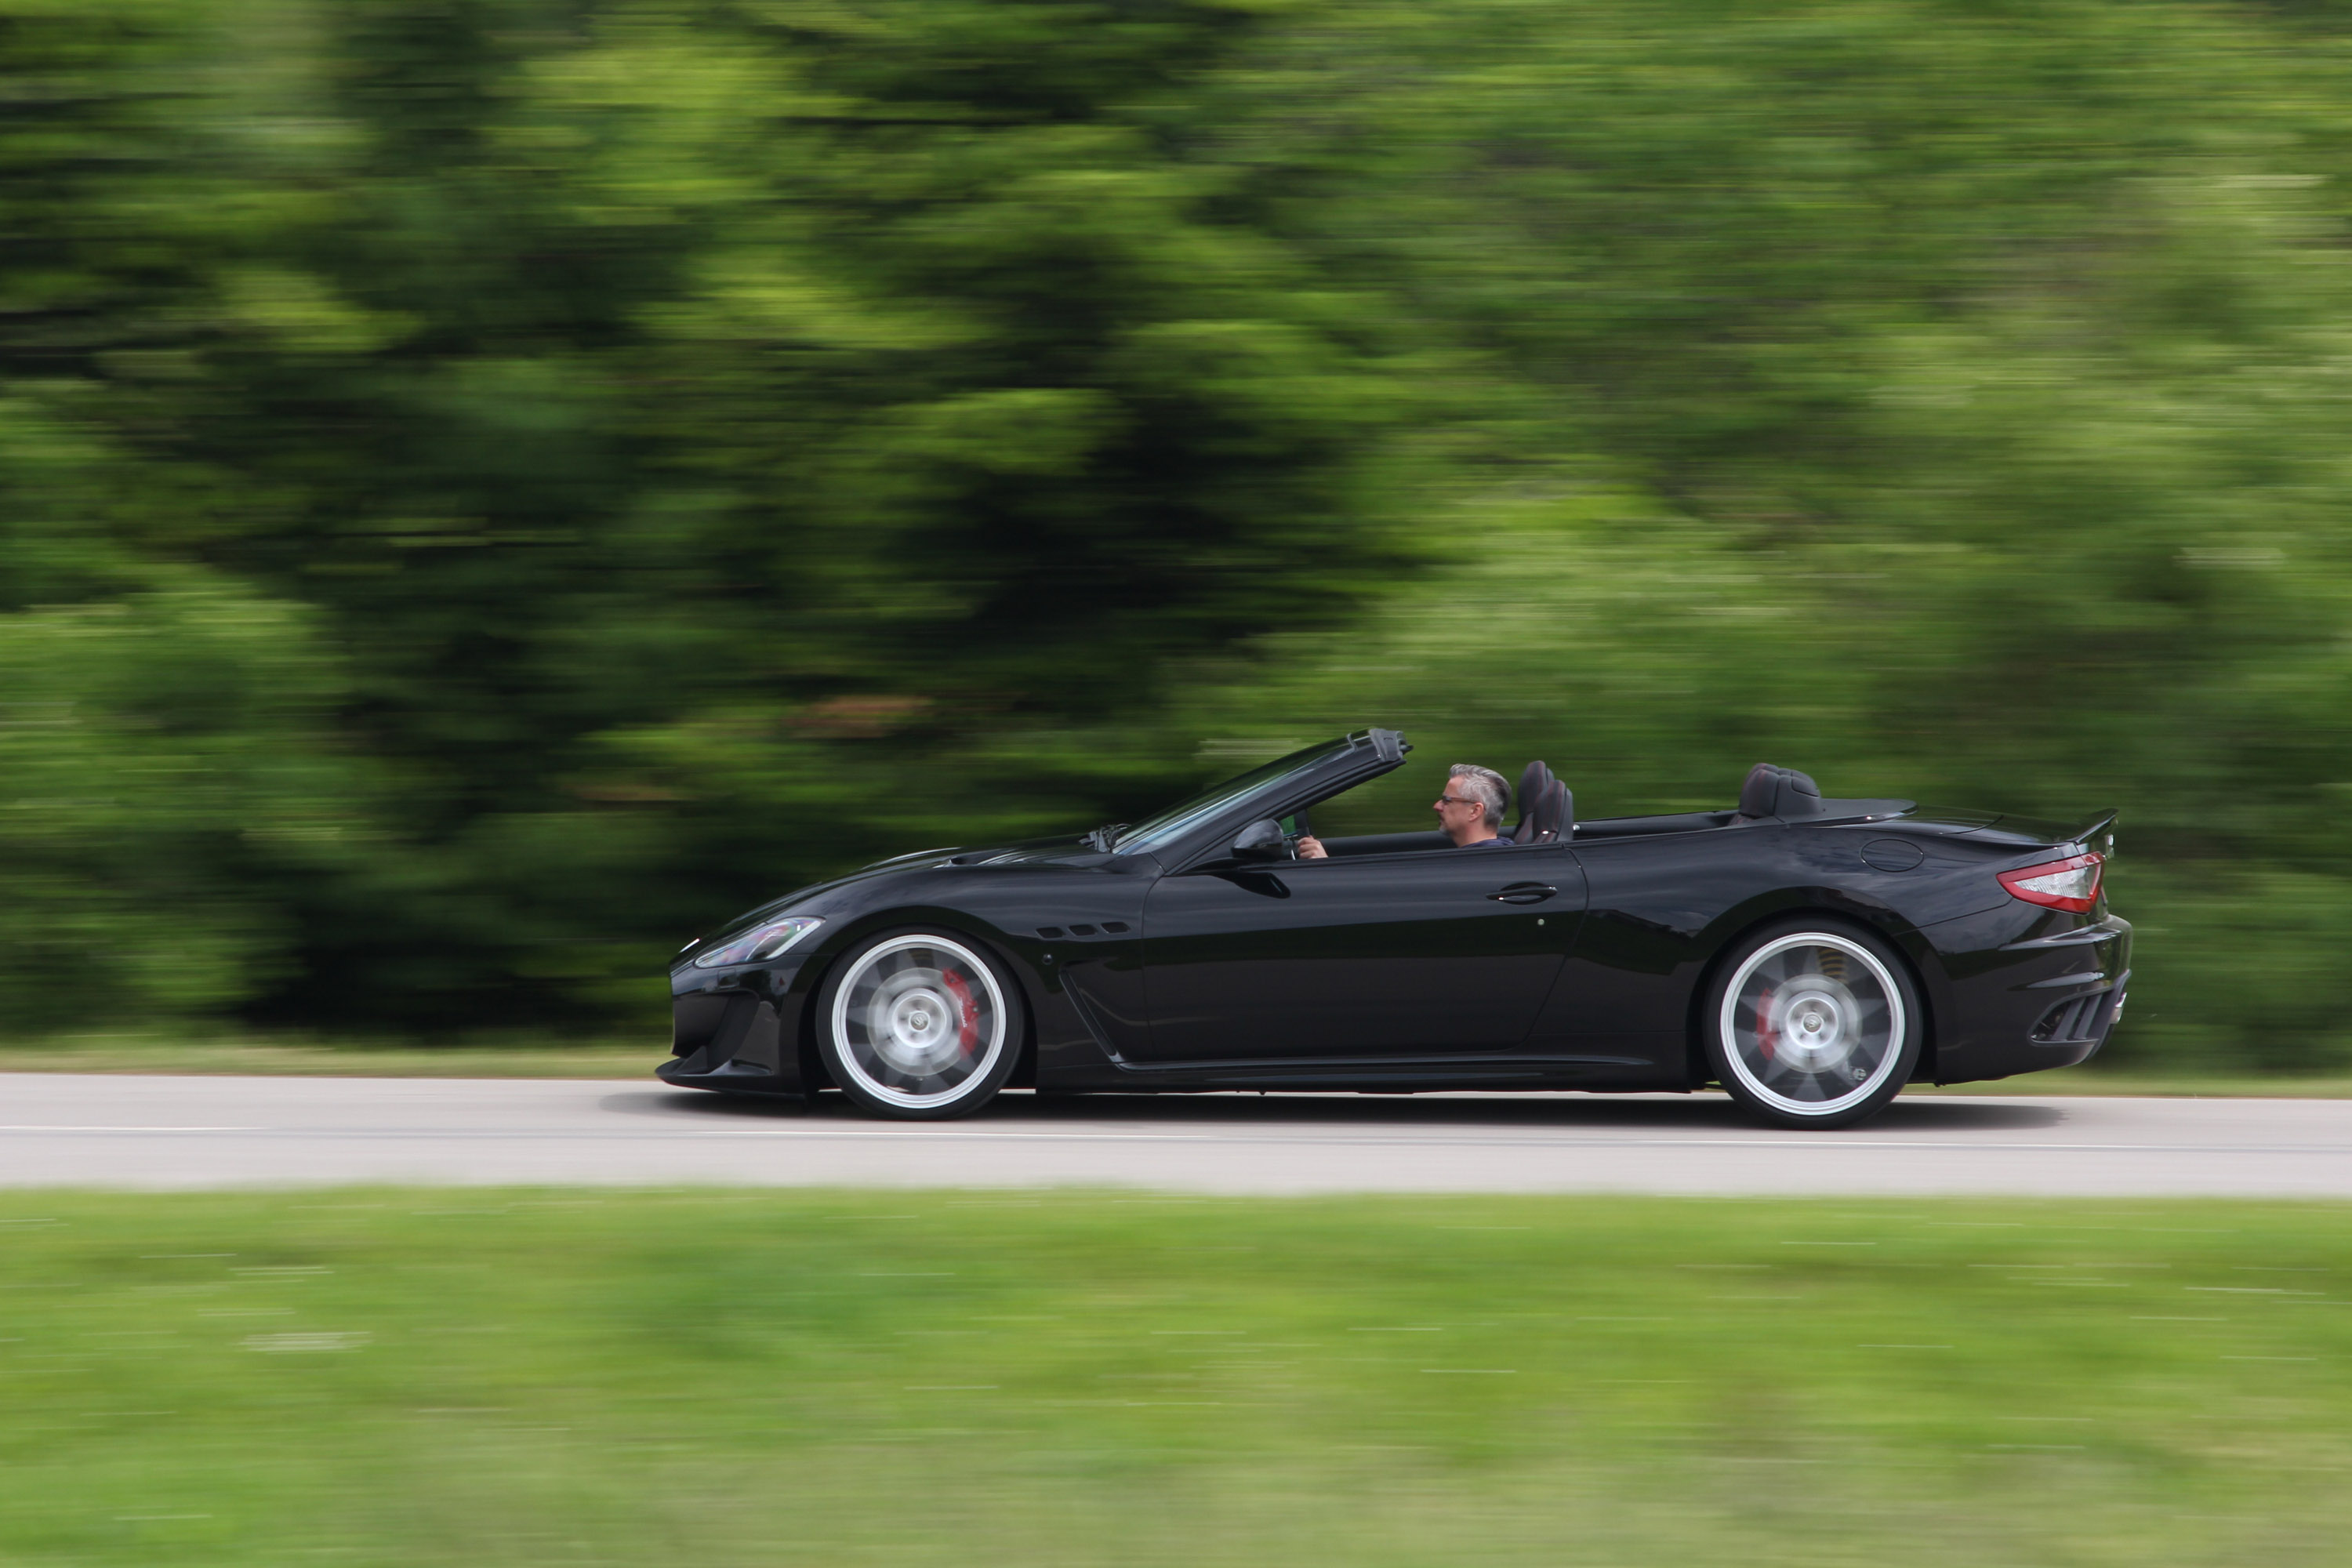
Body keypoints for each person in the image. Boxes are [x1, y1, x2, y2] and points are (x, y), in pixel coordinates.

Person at [1295, 763, 1513, 858]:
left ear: (1474, 811)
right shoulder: (1488, 857)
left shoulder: (1473, 866)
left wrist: (1326, 871)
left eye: (1447, 800)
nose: (1436, 806)